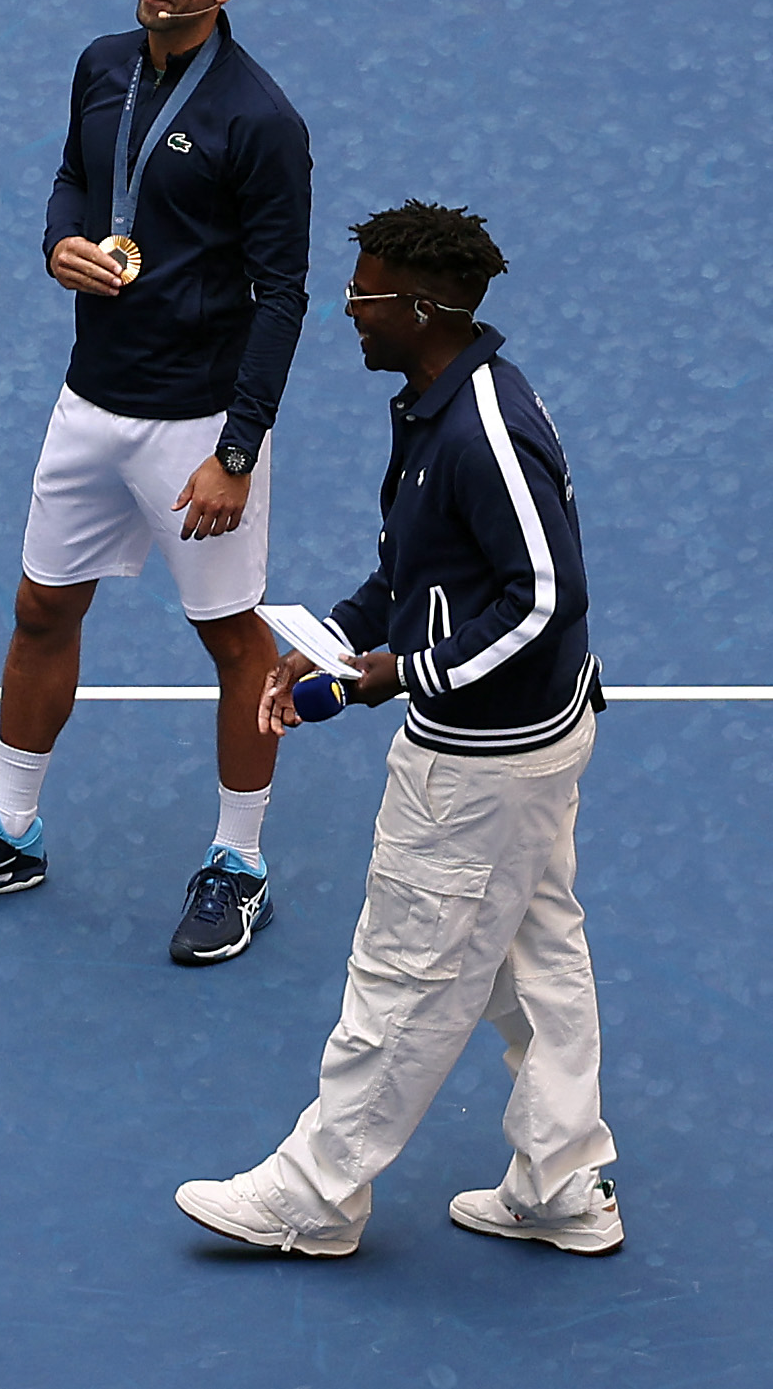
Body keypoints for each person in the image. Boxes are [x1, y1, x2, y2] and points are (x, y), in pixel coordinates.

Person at [176, 202, 619, 1257]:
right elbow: (419, 572)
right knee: (531, 954)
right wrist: (334, 641)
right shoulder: (438, 400)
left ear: (420, 308)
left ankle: (315, 1199)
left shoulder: (483, 429)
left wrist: (397, 675)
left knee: (405, 972)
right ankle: (561, 1181)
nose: (348, 310)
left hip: (482, 758)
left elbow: (544, 595)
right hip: (522, 737)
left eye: (364, 295)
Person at [0, 0, 313, 965]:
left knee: (232, 640)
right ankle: (9, 829)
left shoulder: (261, 123)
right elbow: (75, 181)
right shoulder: (103, 64)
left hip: (195, 429)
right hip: (89, 401)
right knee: (38, 611)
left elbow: (281, 297)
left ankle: (238, 862)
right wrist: (57, 242)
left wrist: (235, 453)